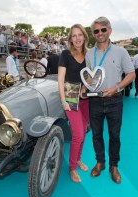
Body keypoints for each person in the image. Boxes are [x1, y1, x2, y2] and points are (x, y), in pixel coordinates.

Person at [85, 17, 135, 184]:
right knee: (96, 135)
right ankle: (100, 162)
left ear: (109, 30)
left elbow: (131, 74)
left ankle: (114, 166)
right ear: (93, 34)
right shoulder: (89, 54)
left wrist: (116, 87)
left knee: (115, 135)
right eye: (96, 31)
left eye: (103, 30)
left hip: (115, 100)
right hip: (95, 101)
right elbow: (89, 77)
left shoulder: (121, 52)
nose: (100, 33)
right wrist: (84, 88)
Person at [58, 24, 89, 183]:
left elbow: (90, 76)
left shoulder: (89, 55)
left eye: (80, 35)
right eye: (74, 35)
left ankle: (78, 159)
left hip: (86, 98)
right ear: (70, 38)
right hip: (70, 96)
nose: (77, 38)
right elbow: (61, 80)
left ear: (84, 36)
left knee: (83, 132)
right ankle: (72, 168)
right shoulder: (65, 54)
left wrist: (86, 85)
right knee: (77, 134)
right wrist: (63, 100)